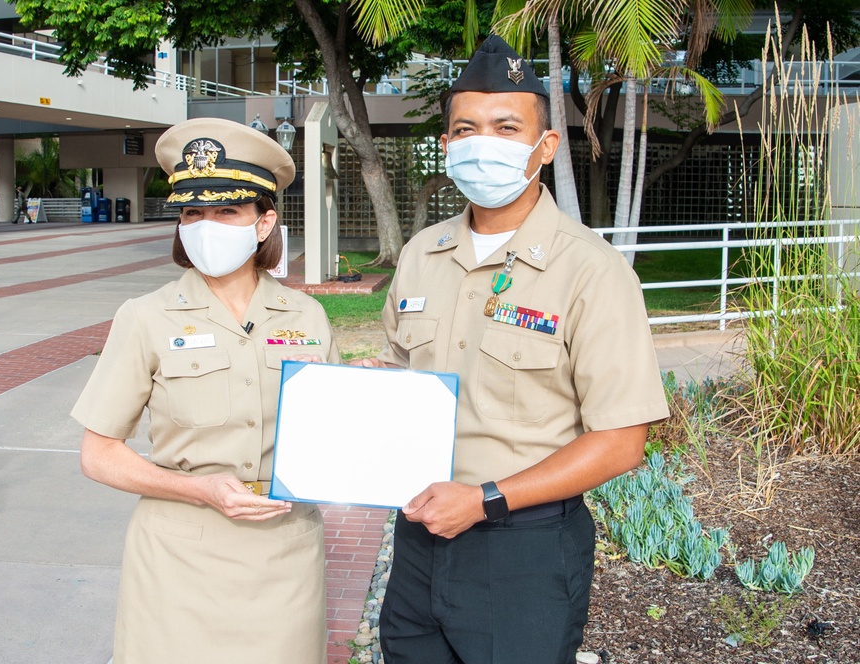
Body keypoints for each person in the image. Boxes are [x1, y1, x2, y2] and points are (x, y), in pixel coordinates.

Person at [354, 35, 670, 664]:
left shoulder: (593, 272)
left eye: (506, 127)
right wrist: (367, 389)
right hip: (418, 542)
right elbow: (403, 373)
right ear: (446, 147)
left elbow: (621, 441)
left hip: (522, 550)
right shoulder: (420, 255)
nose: (483, 143)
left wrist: (484, 499)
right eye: (466, 129)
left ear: (544, 146)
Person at [70, 117, 338, 663]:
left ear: (263, 223)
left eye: (226, 211)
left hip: (283, 555)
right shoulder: (145, 316)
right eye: (193, 212)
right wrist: (202, 490)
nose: (206, 225)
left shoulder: (306, 315)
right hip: (178, 560)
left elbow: (335, 433)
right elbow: (99, 456)